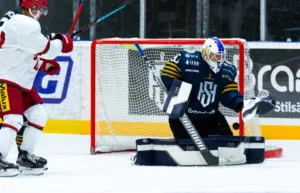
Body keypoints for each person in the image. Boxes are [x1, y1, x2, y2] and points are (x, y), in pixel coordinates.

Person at [0, 0, 73, 176]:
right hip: (6, 80)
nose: (39, 13)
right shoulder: (23, 24)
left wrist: (44, 65)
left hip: (21, 82)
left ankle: (25, 156)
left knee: (38, 114)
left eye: (42, 10)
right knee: (14, 118)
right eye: (36, 9)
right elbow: (48, 49)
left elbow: (25, 52)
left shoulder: (18, 23)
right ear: (26, 9)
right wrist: (62, 42)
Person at [161, 37, 244, 139]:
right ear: (206, 53)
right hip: (184, 118)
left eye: (221, 56)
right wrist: (180, 93)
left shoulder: (228, 69)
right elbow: (167, 73)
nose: (219, 60)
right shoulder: (187, 60)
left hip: (211, 118)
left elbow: (228, 90)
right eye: (216, 56)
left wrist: (238, 102)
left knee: (227, 144)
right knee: (188, 149)